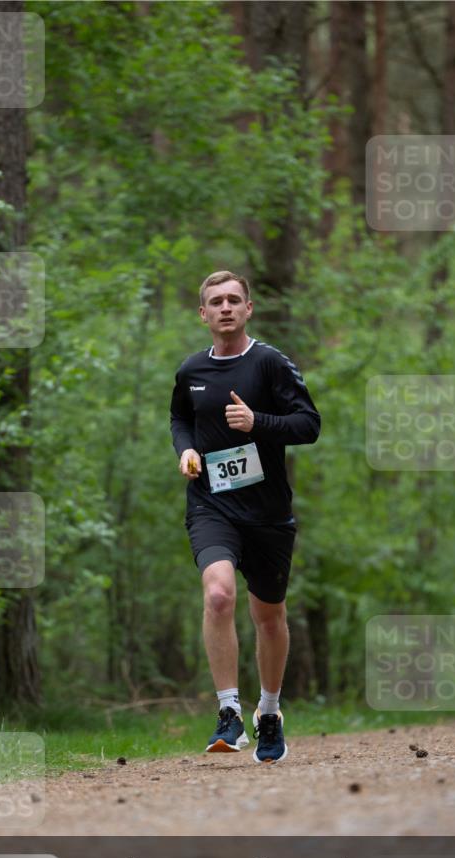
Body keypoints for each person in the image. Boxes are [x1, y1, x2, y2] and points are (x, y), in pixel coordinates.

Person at [170, 270, 321, 763]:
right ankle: (229, 710)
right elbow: (180, 418)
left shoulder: (270, 364)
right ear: (204, 314)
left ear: (249, 309)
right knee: (217, 594)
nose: (226, 307)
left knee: (269, 616)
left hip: (268, 513)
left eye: (235, 299)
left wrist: (260, 423)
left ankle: (270, 711)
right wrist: (186, 450)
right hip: (211, 504)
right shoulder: (190, 372)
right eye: (216, 301)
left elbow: (309, 425)